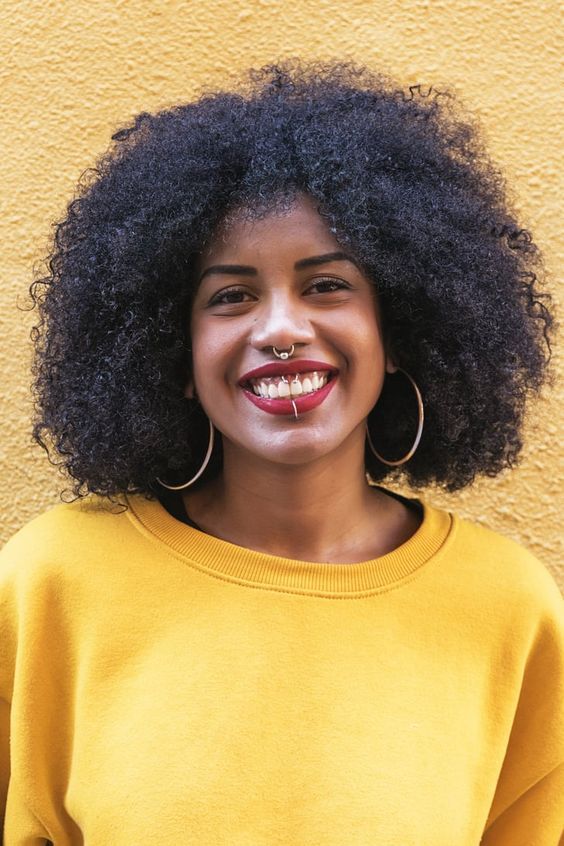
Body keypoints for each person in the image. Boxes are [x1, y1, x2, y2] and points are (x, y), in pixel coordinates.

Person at [1, 61, 562, 845]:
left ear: (398, 329)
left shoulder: (512, 609)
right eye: (231, 295)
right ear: (177, 353)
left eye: (327, 285)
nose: (279, 330)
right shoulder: (49, 585)